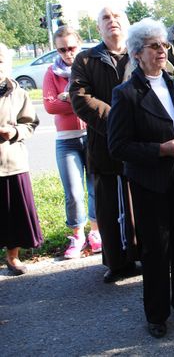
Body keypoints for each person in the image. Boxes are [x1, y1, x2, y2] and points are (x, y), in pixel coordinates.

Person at [107, 18, 174, 337]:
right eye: (154, 46)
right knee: (156, 250)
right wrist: (160, 150)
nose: (162, 51)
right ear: (137, 53)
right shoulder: (126, 93)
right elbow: (118, 146)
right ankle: (157, 313)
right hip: (151, 182)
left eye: (163, 45)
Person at [70, 7, 140, 283]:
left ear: (127, 24)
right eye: (105, 19)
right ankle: (116, 262)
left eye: (117, 17)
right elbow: (80, 98)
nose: (112, 22)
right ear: (98, 28)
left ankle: (143, 255)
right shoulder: (86, 60)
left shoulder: (140, 53)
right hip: (104, 144)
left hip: (140, 144)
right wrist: (120, 120)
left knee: (140, 203)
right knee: (108, 207)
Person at [43, 26, 99, 259]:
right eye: (62, 49)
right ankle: (77, 235)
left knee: (95, 186)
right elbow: (49, 105)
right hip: (66, 141)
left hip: (91, 135)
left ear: (79, 44)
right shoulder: (51, 72)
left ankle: (96, 233)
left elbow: (98, 99)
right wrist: (79, 100)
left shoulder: (88, 67)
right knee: (73, 192)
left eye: (72, 48)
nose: (67, 53)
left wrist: (68, 98)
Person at [0, 42, 42, 275]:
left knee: (12, 214)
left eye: (0, 59)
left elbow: (30, 124)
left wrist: (14, 132)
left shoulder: (19, 93)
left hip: (11, 162)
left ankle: (12, 257)